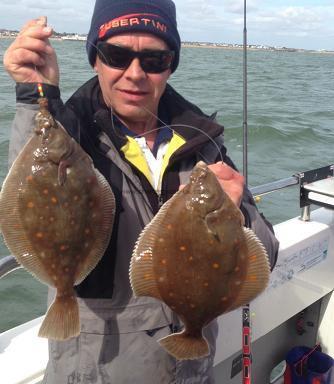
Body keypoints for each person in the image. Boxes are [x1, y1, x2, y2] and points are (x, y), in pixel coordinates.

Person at [3, 0, 279, 382]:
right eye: (116, 55)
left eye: (154, 60)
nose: (134, 73)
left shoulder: (202, 143)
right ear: (95, 59)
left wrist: (238, 215)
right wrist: (37, 97)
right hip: (99, 366)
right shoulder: (69, 135)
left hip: (192, 371)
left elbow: (267, 253)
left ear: (170, 65)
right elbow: (31, 182)